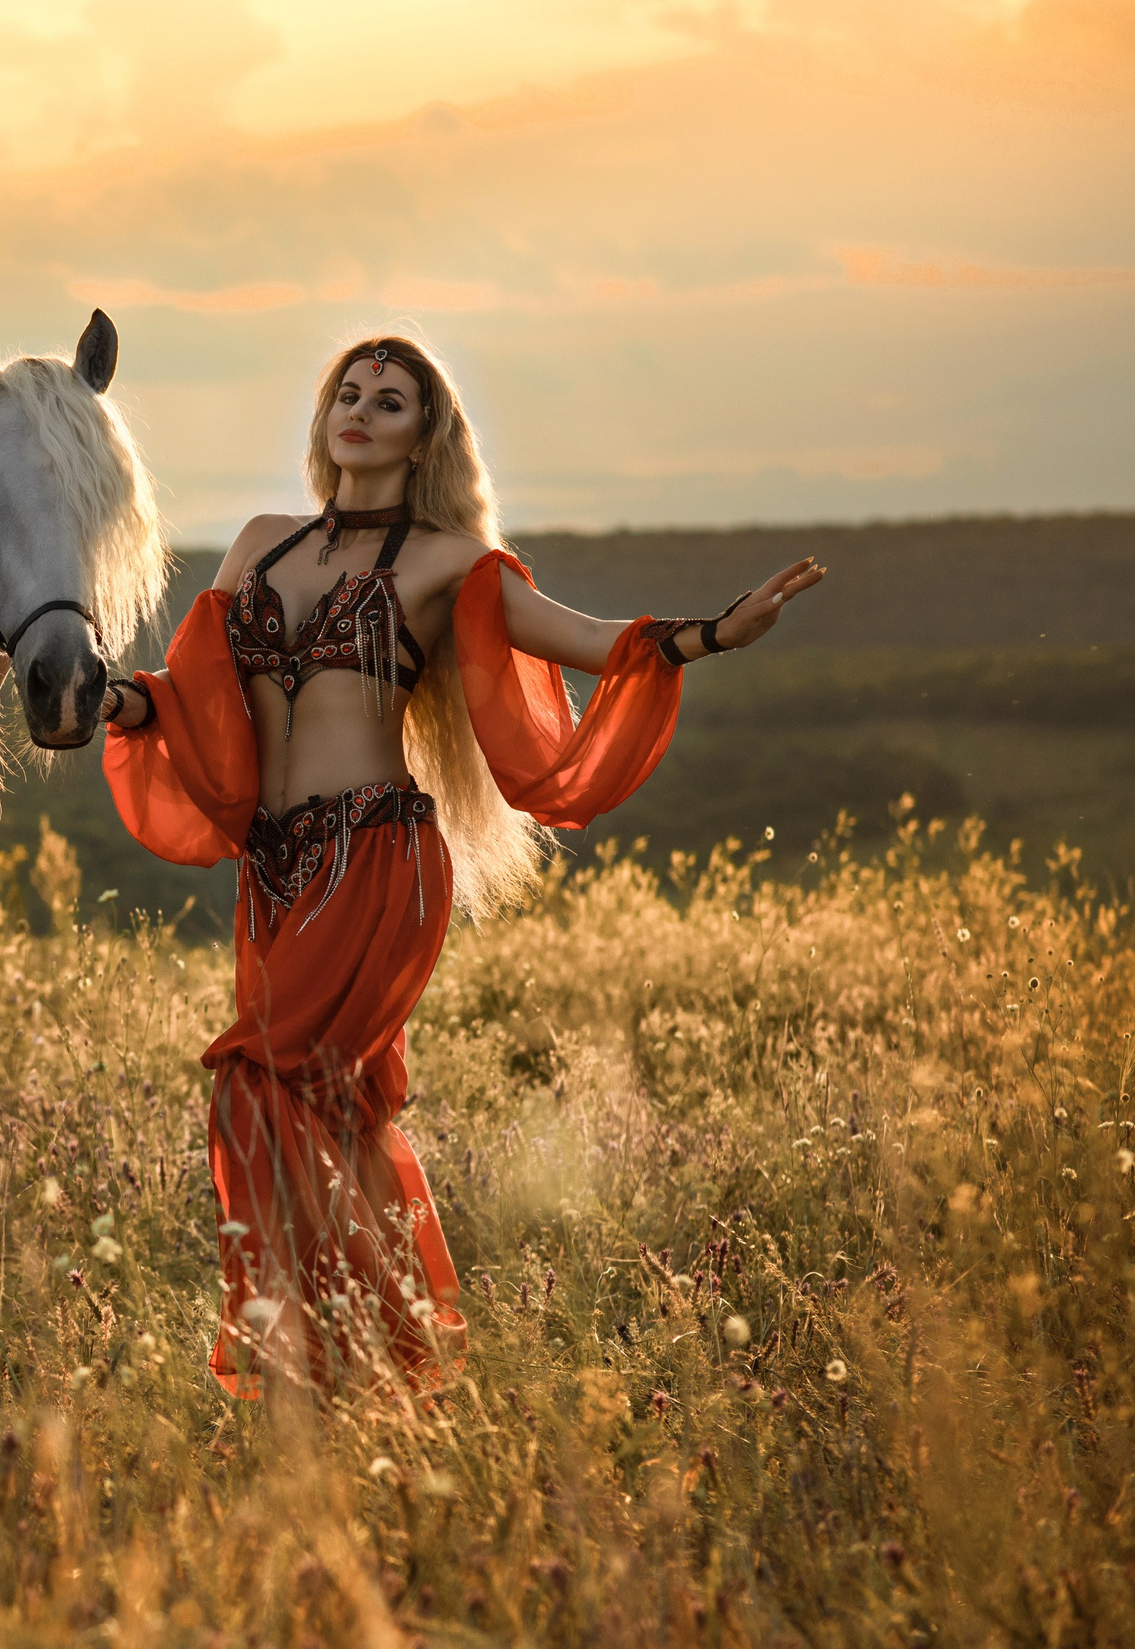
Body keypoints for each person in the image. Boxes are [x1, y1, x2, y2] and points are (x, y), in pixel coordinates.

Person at [98, 335, 824, 1399]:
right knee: (322, 1117)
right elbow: (194, 699)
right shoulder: (257, 543)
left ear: (422, 434)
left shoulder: (448, 564)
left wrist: (711, 634)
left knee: (256, 1086)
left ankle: (311, 1359)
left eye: (388, 401)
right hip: (279, 872)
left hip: (376, 856)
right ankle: (367, 1377)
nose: (360, 410)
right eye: (347, 393)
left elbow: (581, 638)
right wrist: (99, 701)